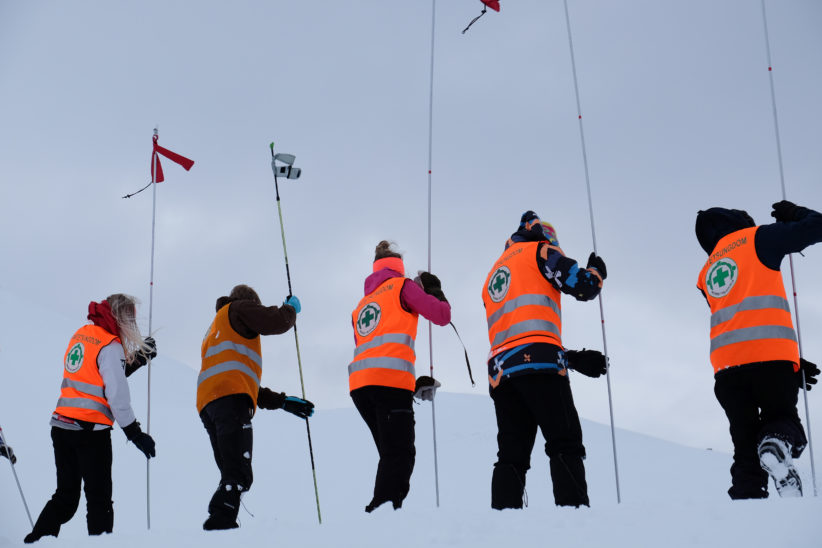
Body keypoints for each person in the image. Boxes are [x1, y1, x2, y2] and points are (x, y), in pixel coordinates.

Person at [695, 200, 821, 499]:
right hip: (771, 361)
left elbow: (741, 316)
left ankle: (747, 512)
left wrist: (792, 359)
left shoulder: (707, 271)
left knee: (745, 450)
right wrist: (794, 215)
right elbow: (818, 226)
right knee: (784, 423)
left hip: (726, 370)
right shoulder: (756, 239)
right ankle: (777, 446)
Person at [482, 211, 608, 509]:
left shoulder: (494, 274)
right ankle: (574, 517)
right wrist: (597, 273)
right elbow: (582, 285)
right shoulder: (540, 251)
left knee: (511, 454)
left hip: (501, 374)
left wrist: (573, 359)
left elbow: (520, 332)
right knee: (564, 442)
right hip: (541, 368)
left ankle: (502, 523)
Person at [24, 294, 157, 543]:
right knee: (99, 500)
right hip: (90, 433)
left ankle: (37, 540)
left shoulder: (83, 334)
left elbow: (95, 377)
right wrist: (135, 434)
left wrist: (138, 359)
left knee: (65, 497)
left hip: (61, 425)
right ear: (121, 317)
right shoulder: (111, 344)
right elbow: (116, 394)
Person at [198, 284, 314, 530]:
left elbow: (241, 379)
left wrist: (282, 401)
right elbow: (276, 321)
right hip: (230, 400)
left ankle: (224, 522)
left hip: (210, 403)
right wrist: (289, 310)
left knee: (231, 470)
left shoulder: (217, 327)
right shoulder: (240, 307)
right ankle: (219, 521)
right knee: (238, 472)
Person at [349, 241, 451, 512]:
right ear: (398, 266)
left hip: (361, 386)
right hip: (390, 383)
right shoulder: (402, 287)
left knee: (390, 453)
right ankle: (381, 515)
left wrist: (411, 383)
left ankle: (384, 513)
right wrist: (434, 289)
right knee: (400, 454)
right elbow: (442, 316)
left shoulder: (362, 304)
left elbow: (378, 348)